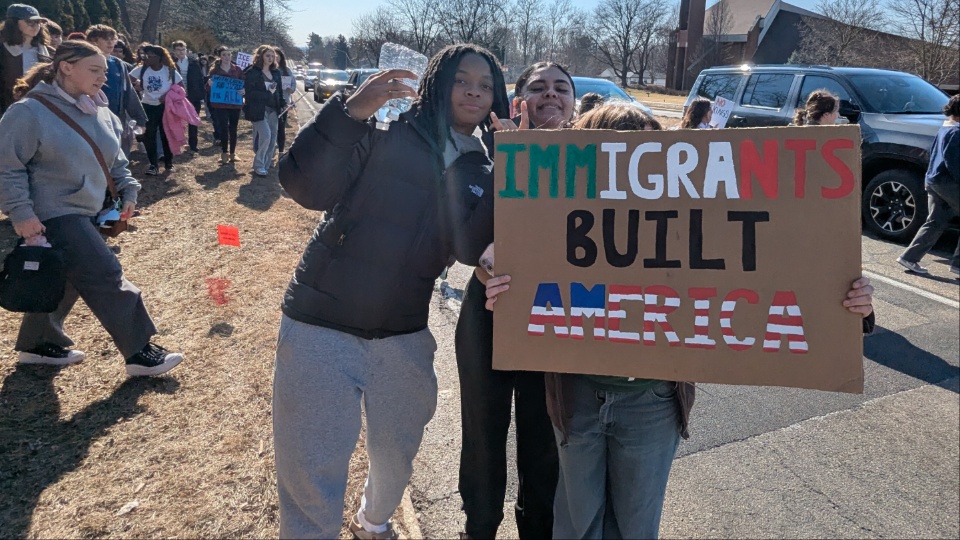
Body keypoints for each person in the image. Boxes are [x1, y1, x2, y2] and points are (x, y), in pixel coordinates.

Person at [483, 103, 876, 540]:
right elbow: (499, 261)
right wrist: (500, 286)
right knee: (578, 522)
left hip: (650, 402)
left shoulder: (689, 217)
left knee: (634, 525)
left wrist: (849, 304)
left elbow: (779, 267)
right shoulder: (559, 219)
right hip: (575, 397)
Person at [273, 43, 510, 540]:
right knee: (311, 475)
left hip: (403, 333)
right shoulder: (384, 128)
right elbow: (303, 186)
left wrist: (507, 171)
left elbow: (468, 248)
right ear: (437, 83)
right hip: (320, 323)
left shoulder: (483, 167)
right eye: (462, 79)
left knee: (397, 457)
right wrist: (350, 112)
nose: (474, 90)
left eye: (485, 84)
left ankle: (372, 522)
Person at [0, 40, 183, 376]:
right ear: (66, 67)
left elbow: (118, 162)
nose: (103, 77)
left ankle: (37, 345)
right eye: (94, 69)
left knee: (65, 277)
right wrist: (20, 212)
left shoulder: (101, 111)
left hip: (89, 210)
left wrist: (129, 191)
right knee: (105, 274)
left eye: (105, 70)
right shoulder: (29, 112)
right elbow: (7, 166)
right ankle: (140, 353)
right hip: (52, 213)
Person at [454, 60, 576, 540]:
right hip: (489, 314)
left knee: (544, 440)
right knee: (483, 436)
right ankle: (479, 528)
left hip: (554, 320)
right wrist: (511, 158)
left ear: (573, 102)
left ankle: (537, 530)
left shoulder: (599, 162)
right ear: (518, 101)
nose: (551, 95)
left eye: (561, 88)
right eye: (538, 87)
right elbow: (467, 246)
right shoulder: (483, 155)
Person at [898, 93, 960, 276]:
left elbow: (934, 154)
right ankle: (957, 264)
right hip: (948, 183)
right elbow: (954, 163)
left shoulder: (944, 129)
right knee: (935, 221)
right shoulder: (956, 133)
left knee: (935, 221)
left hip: (933, 180)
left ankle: (910, 257)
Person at [86, 24, 145, 158]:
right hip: (90, 119)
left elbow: (128, 92)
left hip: (116, 120)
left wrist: (140, 118)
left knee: (118, 161)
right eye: (106, 38)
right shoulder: (81, 63)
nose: (111, 42)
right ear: (93, 41)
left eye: (113, 39)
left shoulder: (118, 64)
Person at [130, 44, 182, 175]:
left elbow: (181, 89)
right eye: (144, 55)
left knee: (166, 135)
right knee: (149, 135)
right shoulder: (141, 70)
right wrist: (137, 87)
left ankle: (168, 163)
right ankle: (153, 165)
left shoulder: (170, 71)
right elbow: (126, 81)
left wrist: (168, 96)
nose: (145, 58)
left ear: (159, 57)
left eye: (149, 56)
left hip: (165, 107)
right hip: (147, 106)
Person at [0, 3, 51, 115]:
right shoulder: (3, 50)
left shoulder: (47, 52)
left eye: (38, 22)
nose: (35, 26)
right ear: (13, 24)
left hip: (40, 110)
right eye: (30, 22)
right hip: (8, 110)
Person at [243, 44, 282, 177]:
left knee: (272, 139)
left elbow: (279, 92)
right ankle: (258, 165)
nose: (270, 58)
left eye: (272, 56)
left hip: (273, 110)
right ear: (261, 56)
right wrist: (267, 93)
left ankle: (264, 165)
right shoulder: (252, 72)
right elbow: (250, 93)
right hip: (257, 110)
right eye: (267, 55)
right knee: (266, 136)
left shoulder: (276, 73)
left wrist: (283, 103)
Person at [206, 45, 243, 164]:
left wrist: (244, 91)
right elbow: (207, 88)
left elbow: (245, 84)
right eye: (224, 55)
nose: (227, 57)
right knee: (223, 128)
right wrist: (209, 84)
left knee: (233, 128)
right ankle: (224, 152)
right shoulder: (214, 70)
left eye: (228, 54)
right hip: (220, 105)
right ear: (220, 56)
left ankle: (233, 153)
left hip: (234, 104)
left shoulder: (237, 69)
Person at [170, 40, 204, 153]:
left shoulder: (194, 63)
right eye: (178, 50)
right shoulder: (170, 63)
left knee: (193, 120)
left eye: (183, 49)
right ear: (174, 51)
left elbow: (200, 79)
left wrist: (201, 94)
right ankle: (177, 143)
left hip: (193, 96)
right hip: (176, 97)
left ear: (187, 51)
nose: (181, 52)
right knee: (176, 121)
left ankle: (193, 144)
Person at [273, 46, 296, 155]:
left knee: (281, 126)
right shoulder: (268, 70)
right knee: (271, 125)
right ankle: (272, 146)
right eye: (273, 56)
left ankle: (281, 149)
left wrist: (290, 89)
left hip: (284, 102)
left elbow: (293, 86)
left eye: (277, 56)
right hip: (270, 102)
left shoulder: (287, 71)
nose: (275, 58)